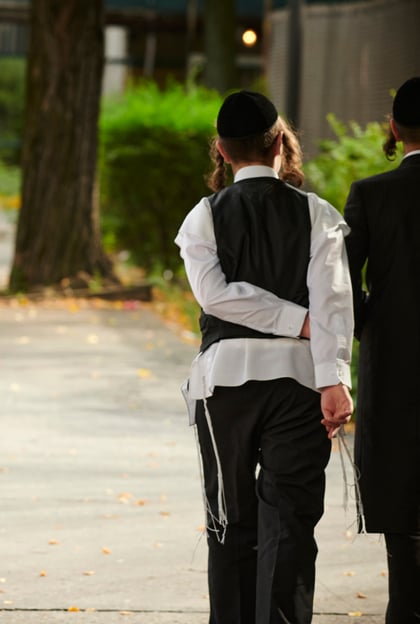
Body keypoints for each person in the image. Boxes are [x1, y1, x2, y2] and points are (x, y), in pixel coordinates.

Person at [176, 91, 354, 623]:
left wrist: (288, 320)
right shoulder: (317, 214)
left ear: (223, 152)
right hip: (300, 383)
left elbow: (215, 296)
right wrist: (333, 378)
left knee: (229, 521)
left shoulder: (203, 216)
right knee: (291, 522)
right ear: (281, 143)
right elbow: (334, 303)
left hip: (223, 385)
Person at [344, 76, 420, 623]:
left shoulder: (371, 194)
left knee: (398, 487)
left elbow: (342, 284)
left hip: (394, 362)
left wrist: (372, 321)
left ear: (393, 128)